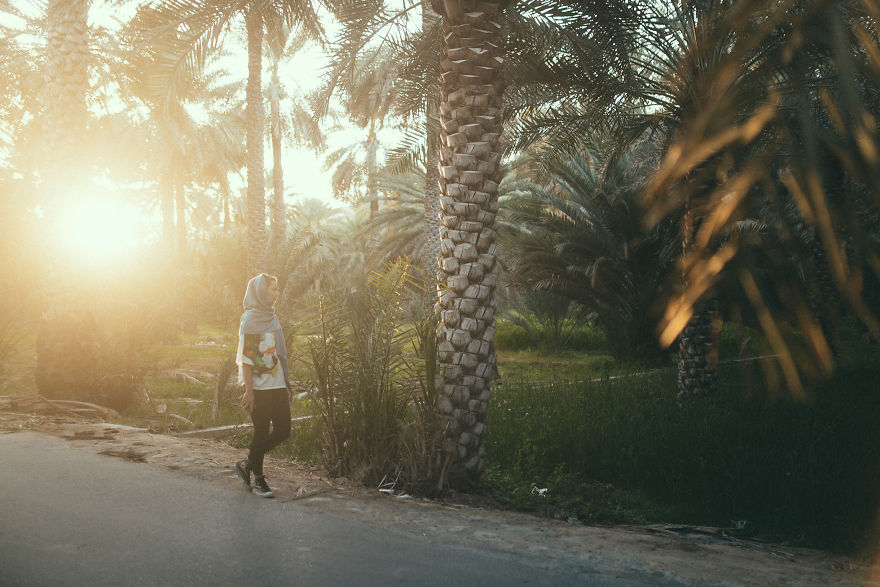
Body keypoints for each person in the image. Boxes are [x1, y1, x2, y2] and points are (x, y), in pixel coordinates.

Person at [233, 273, 292, 498]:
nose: (277, 293)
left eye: (277, 289)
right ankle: (258, 479)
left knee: (284, 430)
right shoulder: (250, 319)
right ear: (260, 291)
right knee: (261, 433)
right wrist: (249, 391)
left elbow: (279, 354)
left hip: (276, 385)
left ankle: (247, 463)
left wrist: (285, 384)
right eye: (273, 289)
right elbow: (246, 359)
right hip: (258, 388)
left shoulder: (272, 317)